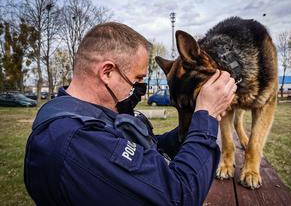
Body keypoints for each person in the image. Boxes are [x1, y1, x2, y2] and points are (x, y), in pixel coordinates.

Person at [24, 22, 236, 206]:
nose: (140, 88)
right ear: (107, 72)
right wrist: (205, 117)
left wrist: (190, 127)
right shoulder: (77, 142)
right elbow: (180, 196)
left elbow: (146, 153)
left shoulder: (88, 117)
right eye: (137, 79)